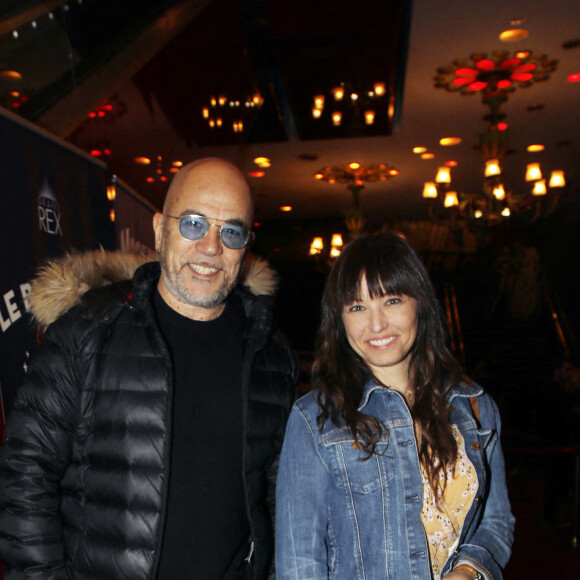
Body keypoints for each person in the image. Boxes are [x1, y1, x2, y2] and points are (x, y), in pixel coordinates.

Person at [0, 157, 299, 579]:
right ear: (160, 230)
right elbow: (23, 480)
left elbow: (279, 501)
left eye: (230, 231)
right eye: (193, 223)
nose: (211, 246)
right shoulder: (85, 332)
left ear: (246, 246)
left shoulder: (272, 356)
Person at [276, 231, 514, 580]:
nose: (376, 324)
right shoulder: (315, 420)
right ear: (340, 320)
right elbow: (299, 563)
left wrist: (467, 570)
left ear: (420, 302)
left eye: (391, 301)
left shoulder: (474, 407)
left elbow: (496, 520)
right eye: (357, 307)